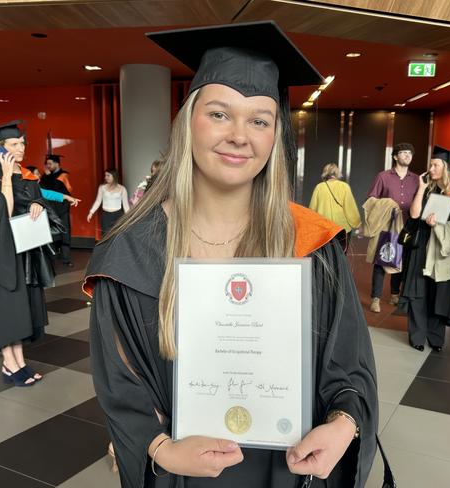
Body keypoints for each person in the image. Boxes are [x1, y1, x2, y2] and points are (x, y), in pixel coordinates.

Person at [82, 21, 381, 488]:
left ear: (275, 136)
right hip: (186, 476)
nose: (240, 135)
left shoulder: (312, 243)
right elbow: (122, 387)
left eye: (259, 119)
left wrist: (344, 424)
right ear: (188, 123)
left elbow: (350, 363)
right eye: (220, 114)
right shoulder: (131, 253)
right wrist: (160, 449)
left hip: (289, 470)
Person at [0, 120, 53, 387]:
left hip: (24, 252)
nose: (21, 148)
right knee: (7, 308)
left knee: (21, 308)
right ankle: (9, 364)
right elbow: (1, 213)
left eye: (22, 143)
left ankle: (19, 359)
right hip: (1, 255)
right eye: (14, 144)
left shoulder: (26, 173)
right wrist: (7, 177)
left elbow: (36, 198)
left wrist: (36, 203)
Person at [401, 147, 450, 351]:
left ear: (446, 168)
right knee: (418, 292)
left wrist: (440, 227)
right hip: (422, 247)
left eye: (435, 165)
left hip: (443, 249)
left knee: (439, 293)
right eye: (431, 164)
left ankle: (436, 338)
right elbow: (415, 215)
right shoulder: (428, 188)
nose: (431, 168)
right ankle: (417, 337)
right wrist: (421, 187)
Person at [366, 143, 419, 312]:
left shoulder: (416, 179)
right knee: (381, 260)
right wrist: (388, 205)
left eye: (409, 153)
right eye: (403, 153)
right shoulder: (383, 176)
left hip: (407, 226)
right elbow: (372, 199)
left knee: (401, 259)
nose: (407, 156)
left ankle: (395, 294)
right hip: (387, 226)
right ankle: (376, 298)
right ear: (395, 156)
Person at [309, 163, 361, 251]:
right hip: (341, 229)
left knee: (325, 256)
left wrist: (311, 226)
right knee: (341, 255)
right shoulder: (344, 187)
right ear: (337, 173)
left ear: (325, 173)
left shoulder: (319, 187)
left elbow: (312, 210)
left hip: (324, 229)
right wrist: (358, 224)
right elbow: (350, 208)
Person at [40, 154, 74, 266]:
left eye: (50, 164)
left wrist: (48, 177)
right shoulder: (46, 176)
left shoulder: (64, 176)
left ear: (57, 164)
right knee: (51, 232)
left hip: (62, 209)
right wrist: (46, 176)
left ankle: (66, 259)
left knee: (65, 233)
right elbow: (42, 190)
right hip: (50, 209)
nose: (48, 166)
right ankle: (52, 257)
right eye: (47, 164)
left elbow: (57, 190)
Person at [86, 168, 130, 236]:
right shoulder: (102, 187)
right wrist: (91, 212)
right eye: (105, 175)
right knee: (105, 235)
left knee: (117, 235)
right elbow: (98, 201)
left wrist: (129, 217)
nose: (105, 177)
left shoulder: (122, 189)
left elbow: (125, 205)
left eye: (108, 175)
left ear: (114, 176)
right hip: (106, 216)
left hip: (118, 215)